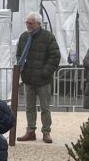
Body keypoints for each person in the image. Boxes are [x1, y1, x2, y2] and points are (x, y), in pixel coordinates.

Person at [15, 12, 61, 143]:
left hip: (43, 79)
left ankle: (46, 132)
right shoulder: (24, 37)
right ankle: (30, 131)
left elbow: (55, 56)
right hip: (28, 78)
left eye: (30, 23)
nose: (28, 25)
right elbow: (19, 54)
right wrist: (21, 66)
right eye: (27, 22)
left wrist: (45, 71)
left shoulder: (48, 37)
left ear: (38, 24)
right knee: (29, 107)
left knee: (45, 108)